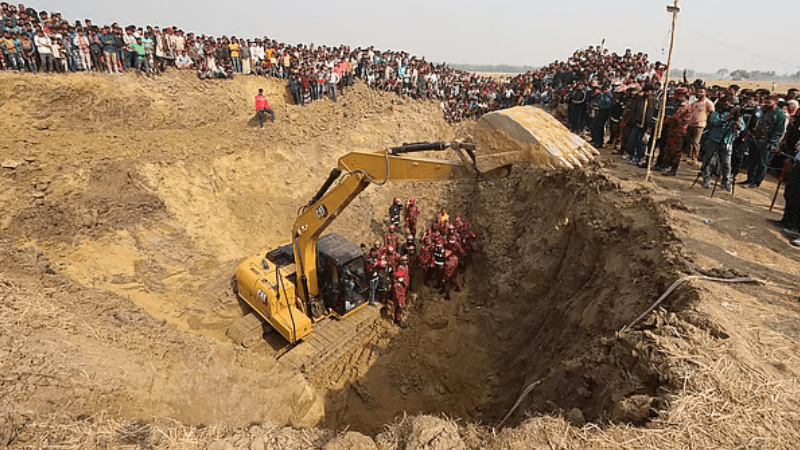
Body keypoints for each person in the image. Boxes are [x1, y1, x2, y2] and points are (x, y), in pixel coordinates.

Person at [698, 97, 745, 191]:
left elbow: (742, 127)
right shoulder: (716, 113)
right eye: (728, 102)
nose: (730, 105)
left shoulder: (736, 116)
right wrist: (729, 115)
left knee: (727, 163)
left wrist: (738, 117)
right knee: (708, 160)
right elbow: (715, 122)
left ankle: (725, 181)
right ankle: (706, 178)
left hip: (727, 141)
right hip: (713, 139)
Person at [741, 96, 787, 188]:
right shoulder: (763, 111)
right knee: (752, 160)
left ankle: (756, 182)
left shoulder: (779, 115)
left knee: (762, 163)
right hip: (754, 138)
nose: (766, 104)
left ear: (775, 103)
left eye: (769, 102)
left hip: (765, 141)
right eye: (765, 102)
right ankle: (749, 179)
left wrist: (773, 142)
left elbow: (778, 130)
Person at [661, 90, 692, 176]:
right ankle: (667, 166)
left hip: (679, 131)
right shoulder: (679, 105)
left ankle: (674, 169)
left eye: (677, 95)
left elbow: (675, 117)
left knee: (676, 151)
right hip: (673, 130)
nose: (675, 97)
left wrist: (662, 122)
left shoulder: (685, 106)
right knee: (669, 149)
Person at [686, 88, 715, 163]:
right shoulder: (695, 103)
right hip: (691, 123)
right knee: (690, 141)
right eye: (698, 91)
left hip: (700, 124)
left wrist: (707, 120)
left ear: (706, 93)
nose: (699, 93)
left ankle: (694, 158)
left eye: (701, 92)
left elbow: (712, 112)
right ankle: (689, 156)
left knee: (696, 142)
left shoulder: (708, 103)